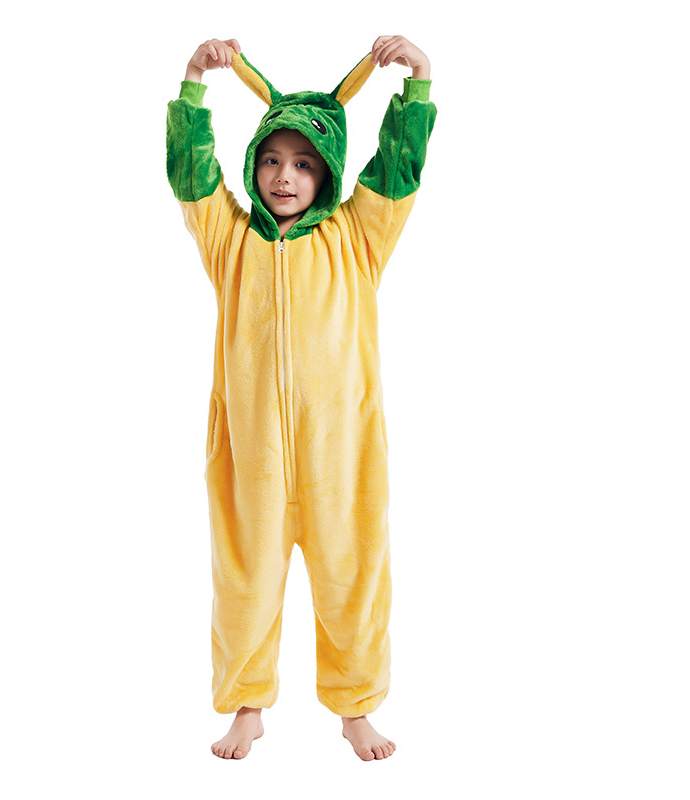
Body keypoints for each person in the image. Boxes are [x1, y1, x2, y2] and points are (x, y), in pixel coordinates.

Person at [166, 35, 437, 761]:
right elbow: (191, 174)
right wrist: (194, 81)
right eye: (271, 160)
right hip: (249, 455)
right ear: (254, 166)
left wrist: (417, 84)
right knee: (244, 583)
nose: (285, 176)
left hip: (339, 455)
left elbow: (398, 169)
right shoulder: (230, 241)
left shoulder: (357, 237)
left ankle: (356, 708)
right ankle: (247, 707)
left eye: (305, 163)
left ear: (329, 172)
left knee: (352, 578)